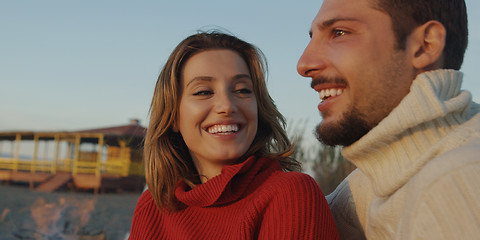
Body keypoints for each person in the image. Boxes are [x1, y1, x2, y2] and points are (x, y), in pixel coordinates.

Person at [129, 31, 339, 239]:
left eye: (242, 90)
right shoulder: (152, 208)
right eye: (204, 92)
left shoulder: (291, 194)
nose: (227, 106)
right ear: (173, 116)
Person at [297, 0, 480, 239]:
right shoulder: (365, 186)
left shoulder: (457, 183)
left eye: (339, 33)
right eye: (312, 37)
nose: (304, 64)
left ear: (425, 45)